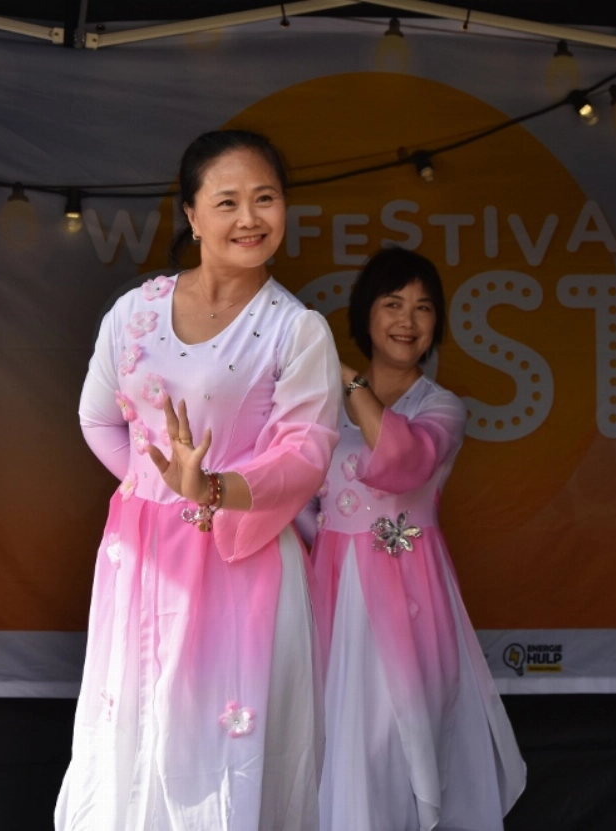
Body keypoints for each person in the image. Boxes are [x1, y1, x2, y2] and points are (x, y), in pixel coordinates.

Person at [57, 130, 340, 831]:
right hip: (141, 553)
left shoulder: (296, 329)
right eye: (229, 201)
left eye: (266, 199)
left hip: (242, 558)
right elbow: (98, 419)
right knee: (135, 734)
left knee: (223, 744)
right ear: (191, 214)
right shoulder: (134, 312)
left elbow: (307, 454)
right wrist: (157, 493)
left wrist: (211, 492)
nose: (251, 218)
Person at [302, 246, 525, 831]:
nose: (408, 320)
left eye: (424, 308)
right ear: (365, 314)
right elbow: (296, 503)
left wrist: (349, 381)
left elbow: (403, 461)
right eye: (393, 303)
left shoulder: (442, 408)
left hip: (412, 593)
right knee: (339, 736)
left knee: (407, 736)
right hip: (332, 592)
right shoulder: (318, 408)